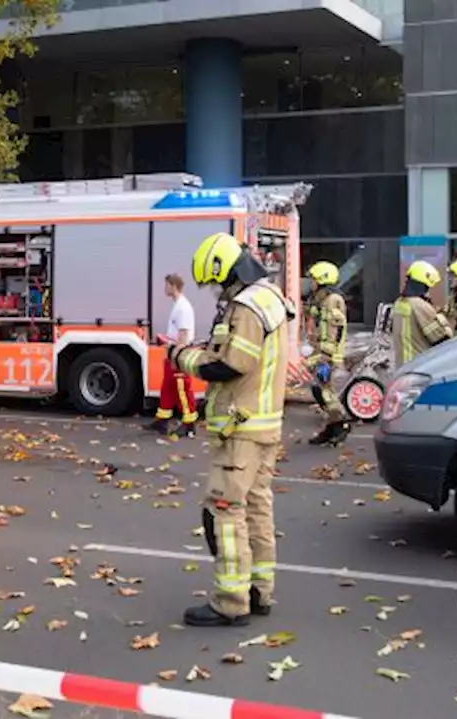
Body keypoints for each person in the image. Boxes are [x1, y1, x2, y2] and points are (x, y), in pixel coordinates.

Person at [170, 232, 294, 627]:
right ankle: (260, 591)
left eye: (217, 281)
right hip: (264, 425)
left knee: (225, 513)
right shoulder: (270, 297)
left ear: (225, 269)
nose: (218, 290)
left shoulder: (245, 306)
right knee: (257, 508)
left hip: (240, 431)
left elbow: (230, 364)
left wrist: (182, 358)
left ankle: (231, 601)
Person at [302, 261, 350, 446]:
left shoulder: (332, 301)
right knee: (319, 390)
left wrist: (324, 358)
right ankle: (331, 427)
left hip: (327, 356)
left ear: (322, 280)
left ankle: (340, 425)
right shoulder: (323, 299)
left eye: (313, 279)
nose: (310, 283)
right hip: (321, 352)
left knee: (326, 392)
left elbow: (332, 332)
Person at [146, 273, 198, 437]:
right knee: (167, 387)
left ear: (173, 286)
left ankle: (189, 423)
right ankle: (162, 420)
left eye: (167, 285)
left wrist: (177, 354)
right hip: (172, 351)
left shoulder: (182, 307)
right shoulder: (178, 305)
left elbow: (183, 333)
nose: (165, 288)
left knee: (182, 388)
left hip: (178, 353)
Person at [391, 260, 453, 369]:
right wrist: (443, 320)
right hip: (418, 365)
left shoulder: (399, 303)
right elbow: (441, 338)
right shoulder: (420, 306)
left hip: (402, 364)